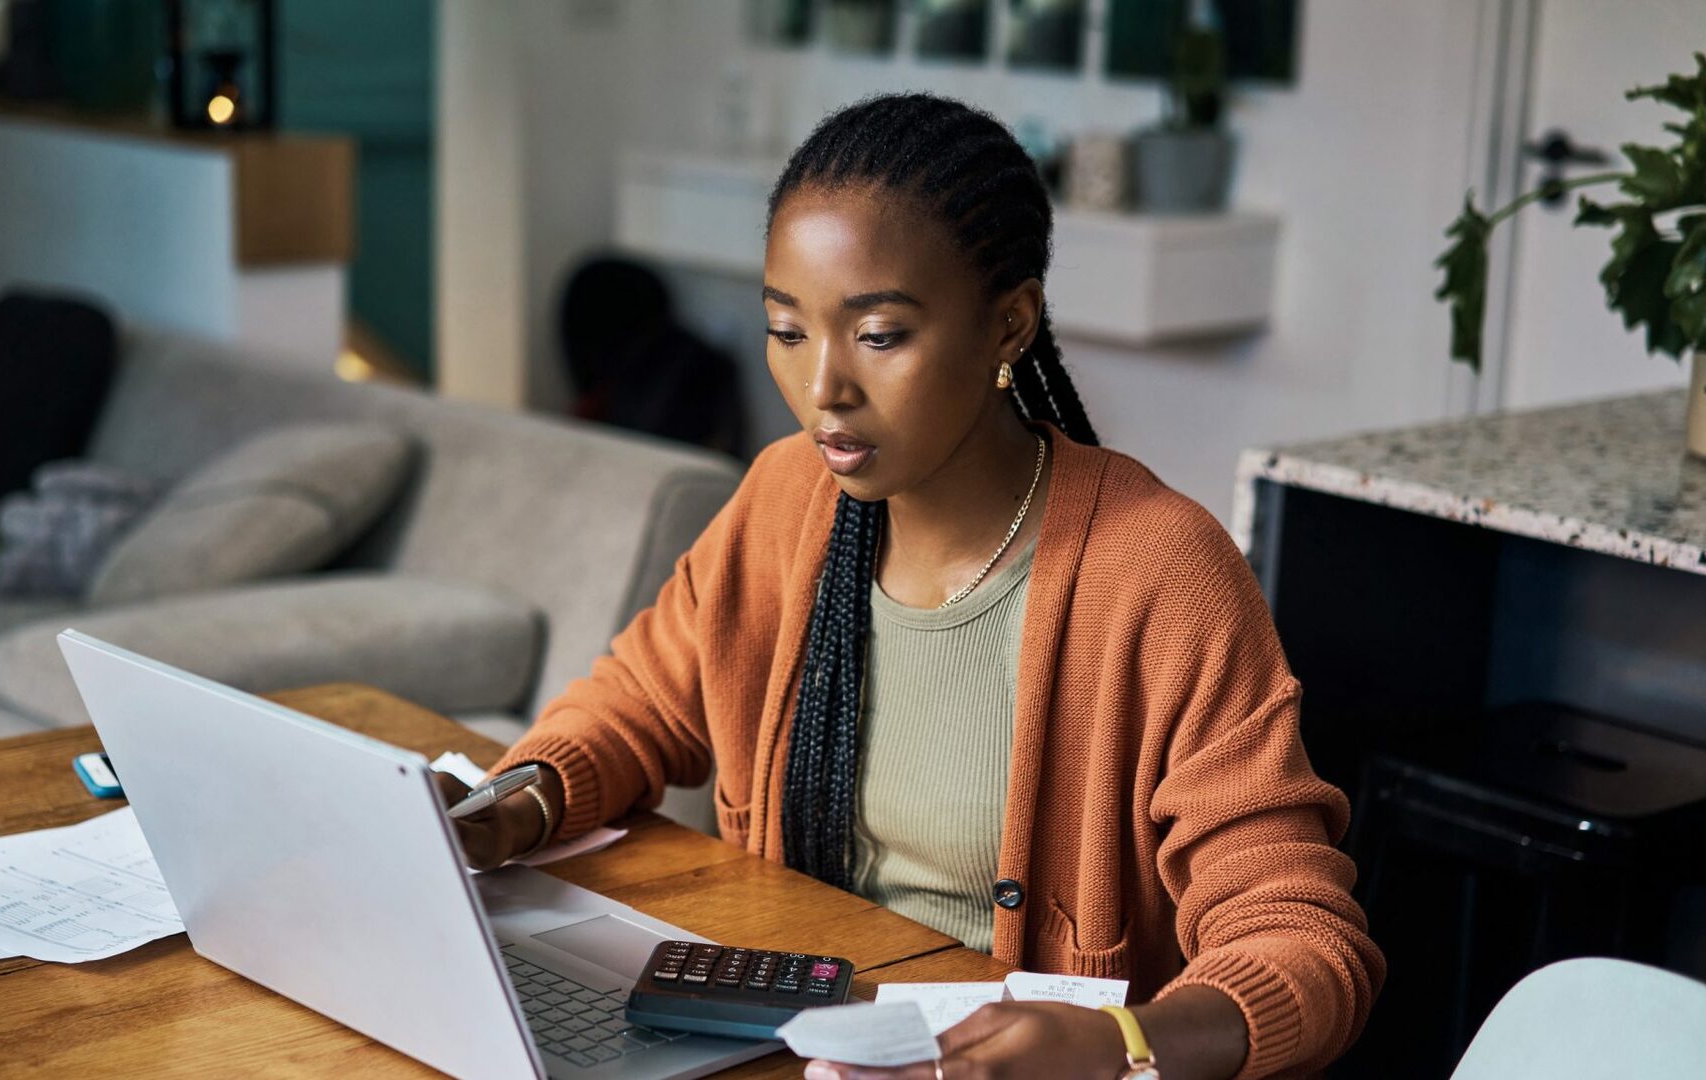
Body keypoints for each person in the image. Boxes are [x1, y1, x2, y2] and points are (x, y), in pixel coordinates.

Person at [437, 93, 1385, 1079]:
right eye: (788, 331)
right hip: (792, 1046)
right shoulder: (785, 499)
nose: (823, 389)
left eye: (880, 335)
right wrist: (519, 800)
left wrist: (1121, 1044)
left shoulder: (1159, 572)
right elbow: (637, 701)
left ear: (1008, 325)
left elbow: (1305, 944)